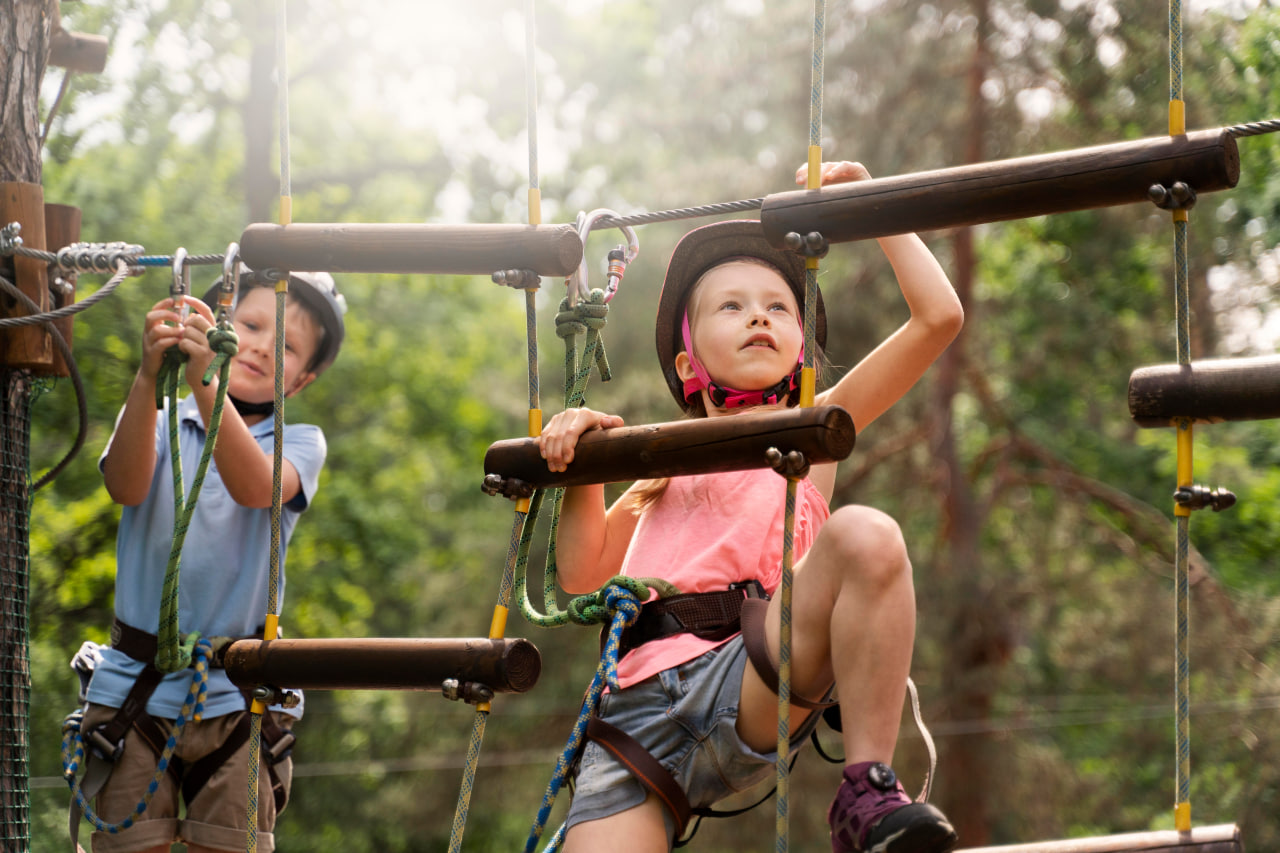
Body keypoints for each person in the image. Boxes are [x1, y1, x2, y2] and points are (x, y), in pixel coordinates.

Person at [537, 161, 965, 853]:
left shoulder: (810, 436)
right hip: (634, 721)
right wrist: (582, 461)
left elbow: (938, 318)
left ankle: (867, 789)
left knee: (867, 534)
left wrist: (869, 207)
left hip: (754, 676)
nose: (759, 314)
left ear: (801, 351)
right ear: (687, 365)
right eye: (730, 306)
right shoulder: (658, 468)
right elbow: (583, 571)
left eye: (778, 307)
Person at [77, 268, 346, 853]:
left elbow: (254, 486)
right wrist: (151, 373)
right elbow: (124, 485)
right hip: (134, 693)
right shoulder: (157, 423)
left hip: (237, 701)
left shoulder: (300, 444)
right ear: (223, 322)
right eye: (249, 325)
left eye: (288, 347)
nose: (259, 347)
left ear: (301, 380)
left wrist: (206, 379)